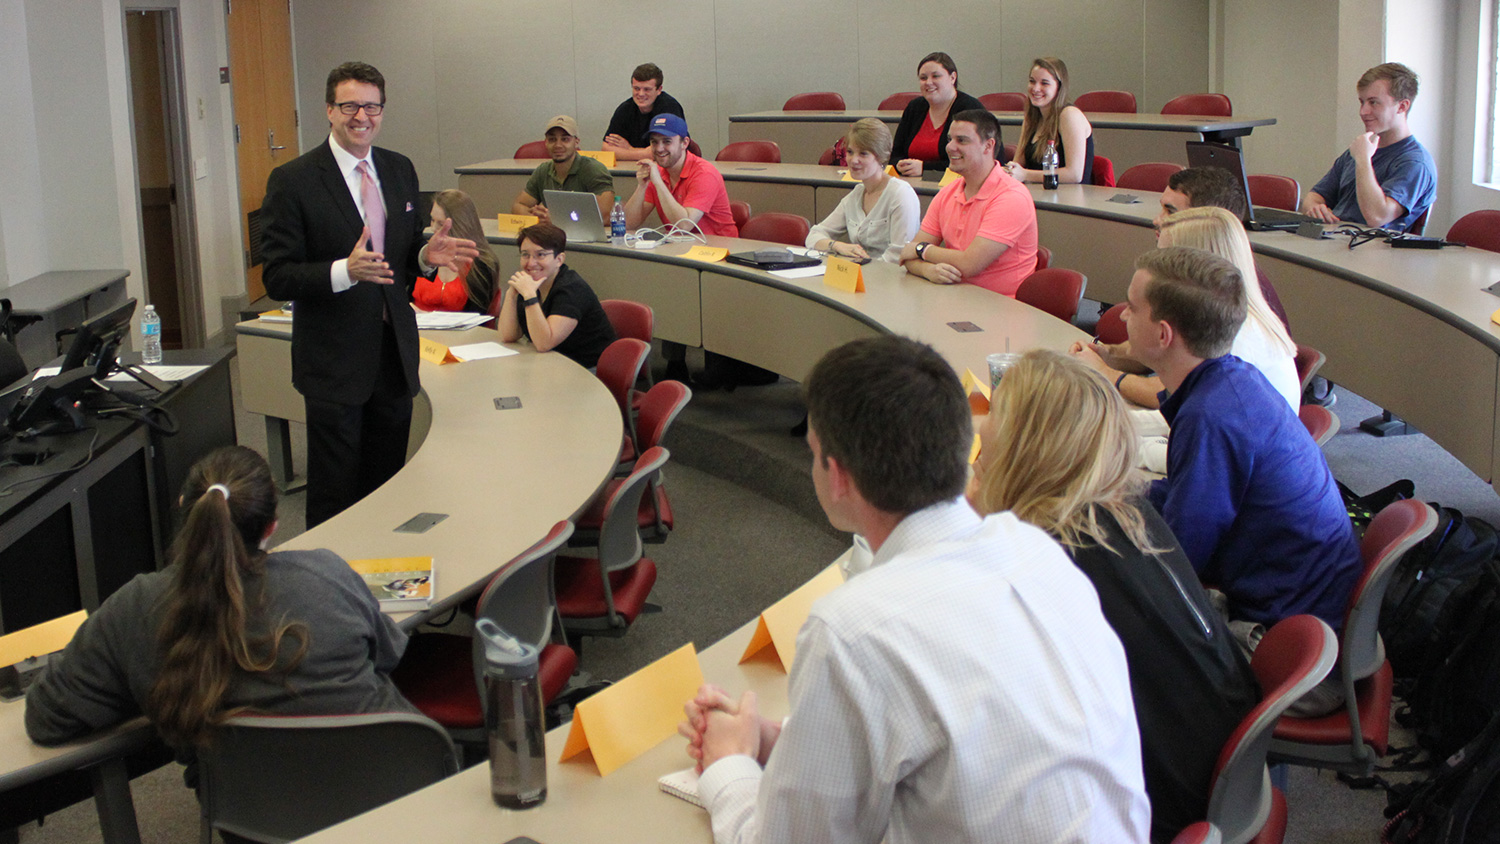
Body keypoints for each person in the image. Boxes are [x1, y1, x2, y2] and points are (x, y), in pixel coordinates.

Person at [678, 335, 1150, 844]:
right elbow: (963, 740)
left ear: (837, 476)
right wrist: (783, 744)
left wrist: (727, 766)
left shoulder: (852, 630)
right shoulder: (1035, 552)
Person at [970, 349, 1258, 844]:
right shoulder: (1125, 511)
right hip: (1209, 758)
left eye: (997, 411)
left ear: (1028, 443)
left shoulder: (1047, 563)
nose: (982, 425)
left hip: (1153, 802)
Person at [25, 446, 414, 753]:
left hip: (249, 823)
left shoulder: (136, 608)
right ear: (273, 526)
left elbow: (47, 718)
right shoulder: (327, 576)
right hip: (394, 800)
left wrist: (142, 681)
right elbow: (389, 656)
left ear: (184, 508)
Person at [260, 61, 477, 529]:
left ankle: (381, 584)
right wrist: (344, 271)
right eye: (350, 105)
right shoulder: (293, 180)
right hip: (334, 359)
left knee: (387, 486)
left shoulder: (399, 169)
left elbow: (398, 253)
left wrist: (424, 255)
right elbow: (276, 277)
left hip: (392, 351)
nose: (362, 116)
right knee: (335, 494)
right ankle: (331, 589)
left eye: (372, 106)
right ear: (329, 110)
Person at [1126, 247, 1361, 643]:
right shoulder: (1231, 379)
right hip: (1302, 606)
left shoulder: (1211, 418)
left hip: (1280, 638)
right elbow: (1189, 499)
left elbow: (1179, 560)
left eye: (1132, 308)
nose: (1121, 315)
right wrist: (1123, 494)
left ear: (1164, 334)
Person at [1074, 206, 1300, 411]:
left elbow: (1169, 396)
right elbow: (1155, 351)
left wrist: (1105, 373)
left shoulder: (1236, 334)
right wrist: (1107, 355)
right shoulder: (1217, 309)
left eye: (1165, 257)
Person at [899, 110, 1038, 295]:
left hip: (1002, 310)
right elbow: (907, 256)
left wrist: (922, 250)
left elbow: (969, 264)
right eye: (950, 139)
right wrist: (928, 270)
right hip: (954, 297)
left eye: (961, 140)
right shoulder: (948, 192)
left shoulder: (1012, 197)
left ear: (988, 146)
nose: (949, 147)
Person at [1304, 62, 1436, 232]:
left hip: (1375, 252)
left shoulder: (1414, 163)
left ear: (1402, 106)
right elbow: (1313, 197)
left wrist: (1363, 160)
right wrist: (1315, 208)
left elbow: (1377, 217)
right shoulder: (1360, 151)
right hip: (1335, 240)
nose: (1363, 111)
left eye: (1374, 103)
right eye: (1362, 102)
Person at [1154, 167, 1290, 329]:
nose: (1157, 220)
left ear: (1206, 221)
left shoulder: (1225, 305)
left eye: (1170, 211)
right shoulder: (1207, 276)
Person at [497, 222, 616, 369]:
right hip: (551, 365)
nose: (531, 263)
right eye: (525, 255)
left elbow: (544, 343)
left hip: (589, 371)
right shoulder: (531, 284)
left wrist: (529, 296)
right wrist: (512, 294)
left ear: (559, 259)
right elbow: (508, 335)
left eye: (540, 255)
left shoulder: (572, 289)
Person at [805, 119, 920, 264]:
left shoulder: (901, 194)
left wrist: (862, 271)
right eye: (850, 152)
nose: (853, 160)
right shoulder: (857, 194)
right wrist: (837, 245)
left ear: (881, 157)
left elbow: (898, 256)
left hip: (890, 279)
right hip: (860, 274)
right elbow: (814, 235)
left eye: (863, 154)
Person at [623, 113, 737, 236]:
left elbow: (684, 225)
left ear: (685, 143)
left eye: (667, 141)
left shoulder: (704, 174)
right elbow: (628, 224)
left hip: (718, 250)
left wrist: (658, 183)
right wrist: (642, 186)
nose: (659, 148)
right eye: (654, 142)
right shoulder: (658, 172)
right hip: (680, 246)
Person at [888, 52, 995, 177]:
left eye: (936, 76)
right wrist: (901, 165)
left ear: (952, 77)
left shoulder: (970, 108)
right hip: (912, 183)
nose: (928, 82)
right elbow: (895, 154)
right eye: (923, 78)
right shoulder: (914, 107)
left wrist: (925, 168)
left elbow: (975, 160)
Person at [1004, 57, 1094, 185]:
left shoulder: (1069, 115)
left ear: (1059, 87)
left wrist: (1025, 174)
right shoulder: (1031, 118)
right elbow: (1017, 164)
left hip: (1070, 199)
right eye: (1032, 81)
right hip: (1039, 194)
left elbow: (1074, 175)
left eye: (1044, 83)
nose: (1035, 88)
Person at [511, 115, 615, 225]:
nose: (558, 145)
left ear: (576, 142)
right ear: (546, 143)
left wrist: (557, 219)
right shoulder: (543, 170)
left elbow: (604, 216)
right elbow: (518, 206)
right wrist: (537, 217)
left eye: (565, 139)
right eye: (552, 140)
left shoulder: (594, 169)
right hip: (553, 236)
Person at [412, 189, 498, 314]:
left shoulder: (482, 266)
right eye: (432, 220)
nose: (433, 228)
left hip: (458, 332)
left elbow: (476, 317)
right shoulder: (425, 256)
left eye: (441, 224)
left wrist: (427, 316)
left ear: (459, 225)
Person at [602, 63, 685, 162]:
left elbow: (665, 151)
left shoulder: (669, 107)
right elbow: (606, 150)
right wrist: (643, 153)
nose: (641, 94)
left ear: (659, 90)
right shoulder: (625, 109)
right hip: (634, 169)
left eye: (647, 89)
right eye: (636, 88)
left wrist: (629, 149)